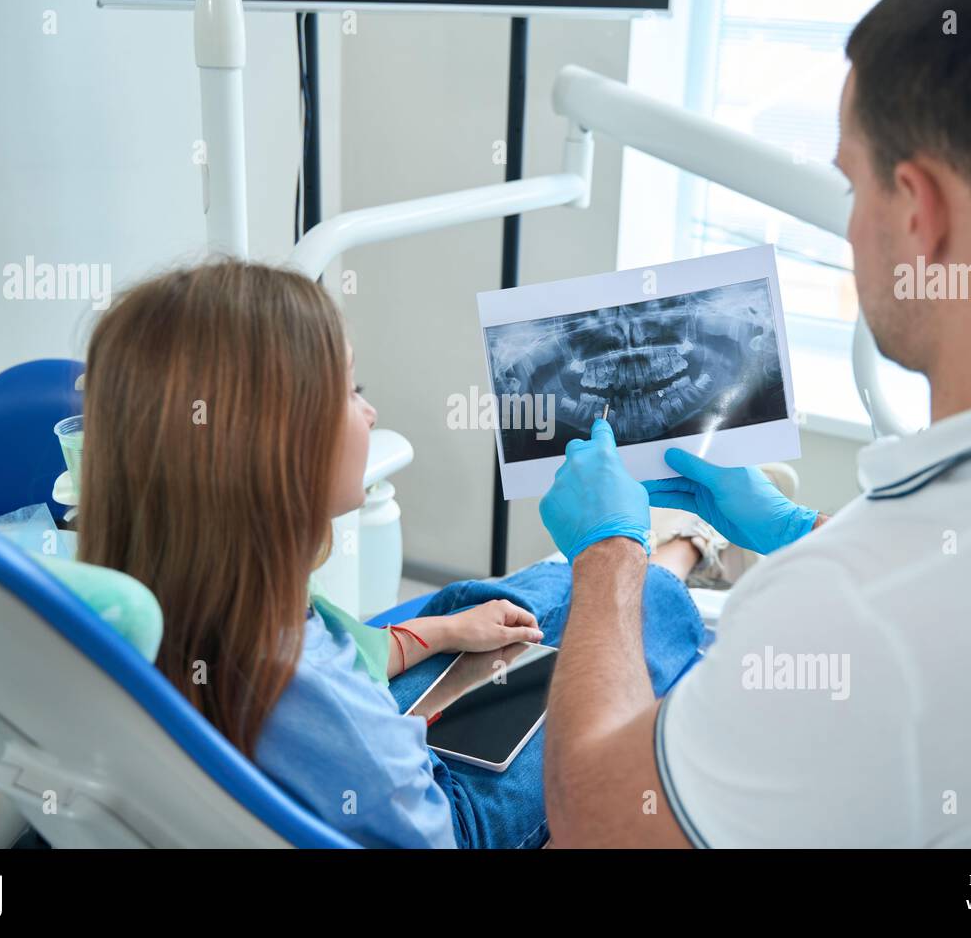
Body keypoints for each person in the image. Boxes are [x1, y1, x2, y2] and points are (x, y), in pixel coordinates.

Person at [539, 0, 971, 847]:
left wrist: (607, 558)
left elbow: (598, 820)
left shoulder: (853, 612)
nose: (852, 229)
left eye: (851, 185)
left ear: (918, 208)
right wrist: (802, 531)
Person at [76, 260, 707, 848]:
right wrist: (613, 544)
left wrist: (440, 637)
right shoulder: (306, 683)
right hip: (454, 816)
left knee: (480, 608)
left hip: (357, 746)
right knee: (642, 603)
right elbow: (431, 830)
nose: (371, 410)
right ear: (277, 446)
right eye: (352, 389)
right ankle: (681, 548)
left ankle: (601, 562)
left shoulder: (167, 600)